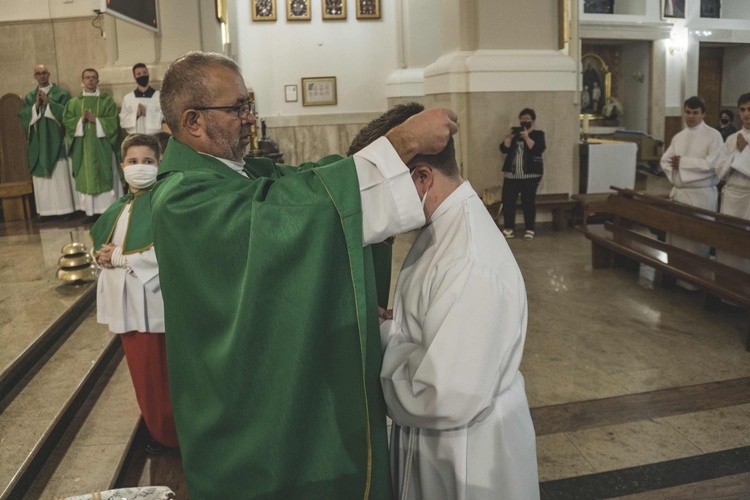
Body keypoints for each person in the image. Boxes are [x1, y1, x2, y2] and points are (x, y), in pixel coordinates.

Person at [150, 51, 458, 499]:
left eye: (248, 103)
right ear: (193, 122)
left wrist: (381, 147)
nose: (249, 117)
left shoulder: (238, 173)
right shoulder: (184, 198)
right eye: (237, 108)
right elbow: (296, 210)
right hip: (241, 414)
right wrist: (401, 145)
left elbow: (307, 183)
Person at [354, 103, 539, 500]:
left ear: (421, 178)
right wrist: (397, 326)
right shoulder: (444, 226)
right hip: (443, 446)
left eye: (379, 191)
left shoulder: (469, 259)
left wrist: (383, 335)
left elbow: (441, 393)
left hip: (467, 458)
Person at [90, 134, 178, 454]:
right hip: (126, 303)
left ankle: (168, 436)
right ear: (122, 165)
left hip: (152, 303)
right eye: (133, 162)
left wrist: (120, 258)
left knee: (159, 374)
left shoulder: (163, 203)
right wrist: (102, 257)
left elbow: (169, 253)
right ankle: (156, 427)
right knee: (142, 374)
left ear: (160, 164)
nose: (140, 167)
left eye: (148, 161)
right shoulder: (120, 206)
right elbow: (108, 245)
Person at [660, 96, 723, 261]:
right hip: (681, 194)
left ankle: (695, 283)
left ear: (704, 114)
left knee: (697, 240)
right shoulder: (679, 136)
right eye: (688, 112)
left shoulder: (713, 135)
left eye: (695, 113)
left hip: (701, 195)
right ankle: (676, 274)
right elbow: (665, 161)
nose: (690, 116)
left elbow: (713, 165)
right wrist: (678, 174)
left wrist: (683, 164)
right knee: (678, 239)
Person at [17, 64, 78, 218]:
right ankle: (46, 212)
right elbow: (24, 117)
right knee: (42, 179)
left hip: (57, 142)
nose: (42, 76)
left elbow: (67, 114)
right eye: (38, 73)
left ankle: (66, 211)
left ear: (49, 74)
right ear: (34, 76)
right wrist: (36, 106)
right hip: (39, 144)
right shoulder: (30, 97)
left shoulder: (61, 94)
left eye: (44, 73)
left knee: (60, 175)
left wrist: (49, 104)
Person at [63, 68, 123, 216]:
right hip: (82, 148)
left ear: (98, 81)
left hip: (103, 148)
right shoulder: (73, 103)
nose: (90, 80)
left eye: (93, 77)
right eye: (87, 77)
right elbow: (67, 122)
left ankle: (107, 211)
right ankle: (90, 212)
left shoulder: (107, 101)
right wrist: (80, 120)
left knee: (105, 173)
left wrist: (95, 120)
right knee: (86, 175)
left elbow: (113, 123)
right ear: (82, 81)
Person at [712, 93, 750, 273]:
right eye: (743, 110)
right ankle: (725, 290)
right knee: (728, 245)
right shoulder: (731, 138)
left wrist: (744, 152)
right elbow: (719, 171)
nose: (746, 114)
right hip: (731, 197)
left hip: (748, 200)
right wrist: (737, 154)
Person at [499, 108, 546, 240]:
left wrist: (527, 137)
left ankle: (530, 228)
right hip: (511, 176)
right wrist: (508, 138)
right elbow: (504, 149)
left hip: (530, 176)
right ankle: (509, 228)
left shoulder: (538, 134)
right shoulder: (515, 134)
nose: (525, 121)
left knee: (528, 202)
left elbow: (538, 149)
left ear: (533, 121)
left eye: (527, 119)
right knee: (508, 201)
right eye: (522, 119)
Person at [119, 63, 163, 135]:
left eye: (144, 73)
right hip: (136, 138)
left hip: (155, 137)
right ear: (134, 77)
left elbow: (165, 118)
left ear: (148, 74)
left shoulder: (159, 96)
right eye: (139, 74)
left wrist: (147, 113)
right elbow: (123, 121)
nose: (142, 75)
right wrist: (136, 114)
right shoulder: (128, 98)